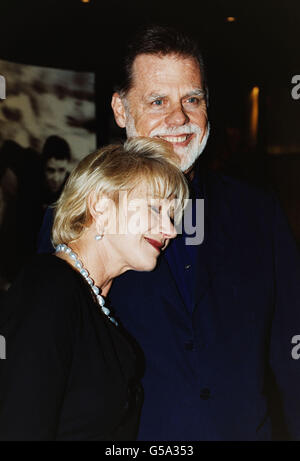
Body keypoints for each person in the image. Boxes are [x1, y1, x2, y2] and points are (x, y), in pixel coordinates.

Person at [38, 25, 300, 440]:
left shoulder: (258, 211)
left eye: (192, 99)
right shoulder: (77, 219)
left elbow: (291, 353)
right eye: (157, 101)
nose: (178, 118)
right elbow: (50, 376)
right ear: (121, 111)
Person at [0, 137, 188, 441]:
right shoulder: (49, 288)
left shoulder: (92, 299)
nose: (171, 230)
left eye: (170, 215)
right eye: (155, 209)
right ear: (101, 207)